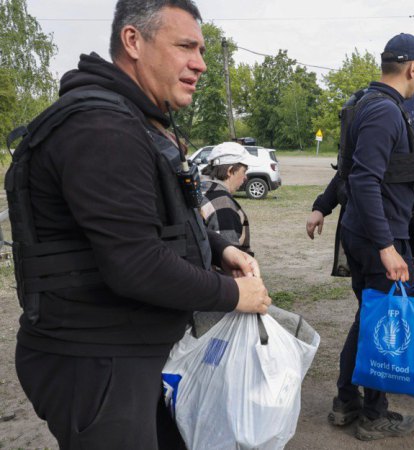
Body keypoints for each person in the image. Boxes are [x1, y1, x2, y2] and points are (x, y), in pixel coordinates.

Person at [11, 1, 271, 449]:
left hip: (127, 351)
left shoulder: (129, 119)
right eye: (185, 46)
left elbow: (149, 221)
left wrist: (217, 248)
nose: (201, 64)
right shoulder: (101, 128)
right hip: (94, 360)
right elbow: (135, 263)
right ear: (133, 41)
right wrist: (234, 295)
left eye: (202, 49)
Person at [328, 33, 414, 441]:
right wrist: (387, 248)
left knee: (369, 317)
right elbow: (364, 179)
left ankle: (346, 402)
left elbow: (368, 170)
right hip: (380, 236)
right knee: (385, 321)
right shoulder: (385, 112)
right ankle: (373, 415)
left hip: (361, 230)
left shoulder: (365, 103)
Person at [200, 142, 257, 255]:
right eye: (244, 171)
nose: (245, 178)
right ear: (230, 171)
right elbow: (231, 258)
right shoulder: (222, 204)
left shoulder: (199, 189)